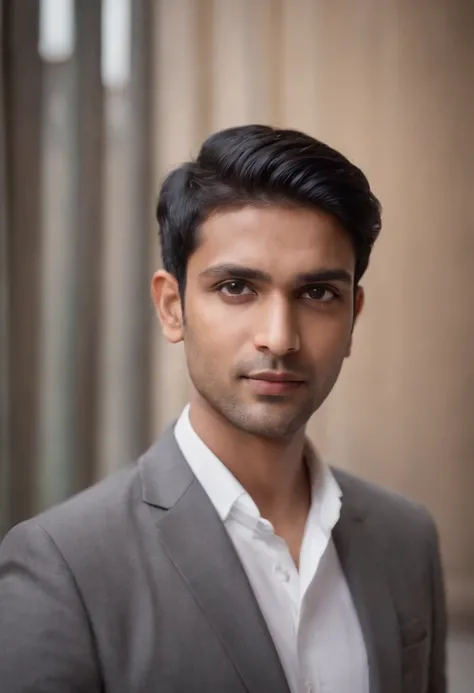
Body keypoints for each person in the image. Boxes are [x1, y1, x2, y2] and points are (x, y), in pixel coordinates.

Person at [0, 125, 446, 693]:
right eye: (237, 287)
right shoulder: (63, 566)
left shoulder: (406, 539)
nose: (279, 339)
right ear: (171, 308)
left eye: (317, 294)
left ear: (353, 316)